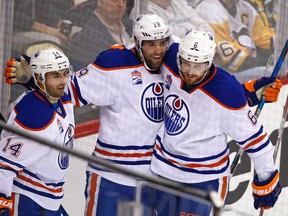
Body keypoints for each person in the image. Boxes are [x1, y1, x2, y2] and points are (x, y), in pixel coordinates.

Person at [4, 13, 282, 216]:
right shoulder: (115, 64)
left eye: (162, 42)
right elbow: (69, 90)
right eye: (150, 44)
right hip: (114, 176)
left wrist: (246, 92)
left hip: (157, 177)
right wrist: (34, 80)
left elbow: (211, 88)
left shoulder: (175, 58)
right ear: (136, 42)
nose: (158, 49)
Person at [150, 29, 282, 215]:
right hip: (163, 170)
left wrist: (266, 178)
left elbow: (256, 140)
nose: (190, 72)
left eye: (198, 66)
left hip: (203, 180)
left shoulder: (227, 92)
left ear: (210, 61)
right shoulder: (171, 57)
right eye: (186, 63)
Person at [0, 48, 75, 215]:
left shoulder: (62, 97)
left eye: (65, 73)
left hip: (50, 198)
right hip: (28, 198)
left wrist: (29, 80)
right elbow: (4, 165)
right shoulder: (37, 115)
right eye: (56, 76)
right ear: (40, 79)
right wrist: (2, 203)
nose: (63, 81)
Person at [195, 0, 276, 82]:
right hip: (220, 75)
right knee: (272, 73)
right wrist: (267, 63)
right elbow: (231, 60)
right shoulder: (209, 9)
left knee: (280, 69)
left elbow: (264, 40)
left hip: (245, 66)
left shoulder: (245, 7)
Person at [67, 0, 133, 71]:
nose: (121, 4)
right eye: (114, 0)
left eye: (124, 1)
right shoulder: (86, 39)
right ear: (99, 1)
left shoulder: (133, 27)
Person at [130, 0, 213, 39]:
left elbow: (207, 29)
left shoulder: (178, 2)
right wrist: (191, 27)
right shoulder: (144, 10)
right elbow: (164, 37)